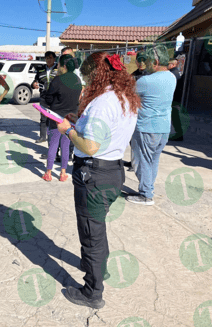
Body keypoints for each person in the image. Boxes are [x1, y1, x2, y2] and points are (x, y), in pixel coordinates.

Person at [57, 52, 141, 309]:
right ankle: (96, 268)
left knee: (91, 234)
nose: (85, 82)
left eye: (86, 76)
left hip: (93, 173)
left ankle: (92, 292)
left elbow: (91, 146)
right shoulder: (124, 97)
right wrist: (79, 122)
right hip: (112, 170)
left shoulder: (103, 102)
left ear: (96, 74)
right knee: (97, 228)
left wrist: (68, 131)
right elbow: (105, 132)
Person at [126, 45, 177, 205]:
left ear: (155, 62)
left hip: (147, 127)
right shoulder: (171, 77)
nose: (144, 65)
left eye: (147, 62)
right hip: (163, 128)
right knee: (153, 161)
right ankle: (149, 189)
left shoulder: (146, 81)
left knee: (143, 162)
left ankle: (146, 195)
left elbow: (126, 93)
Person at [41, 54, 81, 182]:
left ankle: (48, 172)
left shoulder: (58, 80)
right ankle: (63, 173)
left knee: (53, 145)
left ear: (63, 66)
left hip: (56, 117)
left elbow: (48, 97)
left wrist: (51, 104)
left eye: (58, 64)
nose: (57, 66)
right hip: (71, 118)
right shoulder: (77, 80)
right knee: (66, 145)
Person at [123, 50, 151, 171]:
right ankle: (134, 162)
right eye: (139, 61)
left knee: (142, 141)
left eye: (143, 61)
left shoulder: (149, 76)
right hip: (134, 109)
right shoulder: (133, 75)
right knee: (133, 139)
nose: (141, 63)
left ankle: (139, 164)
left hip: (145, 110)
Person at [32, 51, 58, 150]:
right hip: (43, 96)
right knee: (43, 118)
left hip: (55, 97)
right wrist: (33, 84)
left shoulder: (58, 69)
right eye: (47, 58)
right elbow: (35, 81)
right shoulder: (40, 69)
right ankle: (42, 137)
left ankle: (53, 138)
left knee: (54, 118)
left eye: (50, 58)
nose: (48, 60)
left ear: (54, 59)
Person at [168, 58, 184, 141]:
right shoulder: (175, 73)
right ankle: (178, 134)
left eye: (169, 64)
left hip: (174, 98)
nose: (167, 65)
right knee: (174, 116)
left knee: (175, 116)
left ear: (173, 65)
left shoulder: (173, 74)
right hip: (175, 98)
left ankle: (179, 134)